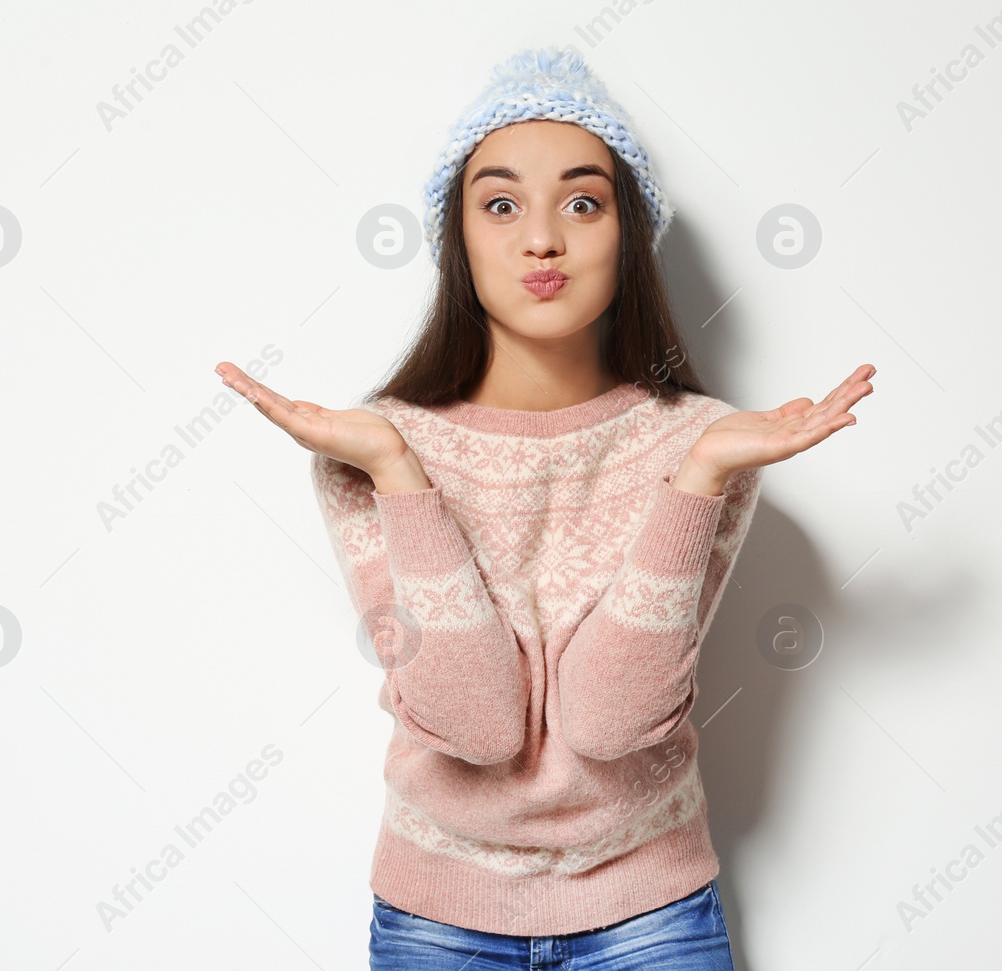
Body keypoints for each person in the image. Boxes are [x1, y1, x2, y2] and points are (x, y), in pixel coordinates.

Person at [214, 47, 875, 969]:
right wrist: (403, 476)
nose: (541, 240)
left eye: (581, 202)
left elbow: (610, 726)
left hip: (652, 914)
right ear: (460, 238)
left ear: (627, 235)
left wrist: (696, 481)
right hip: (438, 918)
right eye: (500, 203)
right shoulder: (370, 453)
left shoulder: (706, 447)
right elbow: (475, 726)